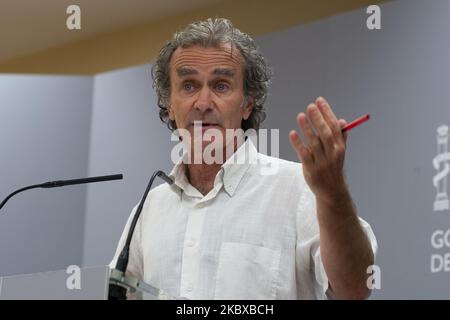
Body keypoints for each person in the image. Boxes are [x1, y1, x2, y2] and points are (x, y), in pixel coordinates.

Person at [111, 18, 377, 300]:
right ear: (170, 105)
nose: (202, 103)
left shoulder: (300, 189)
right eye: (188, 86)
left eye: (221, 86)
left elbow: (356, 287)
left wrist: (333, 194)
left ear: (248, 103)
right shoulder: (150, 207)